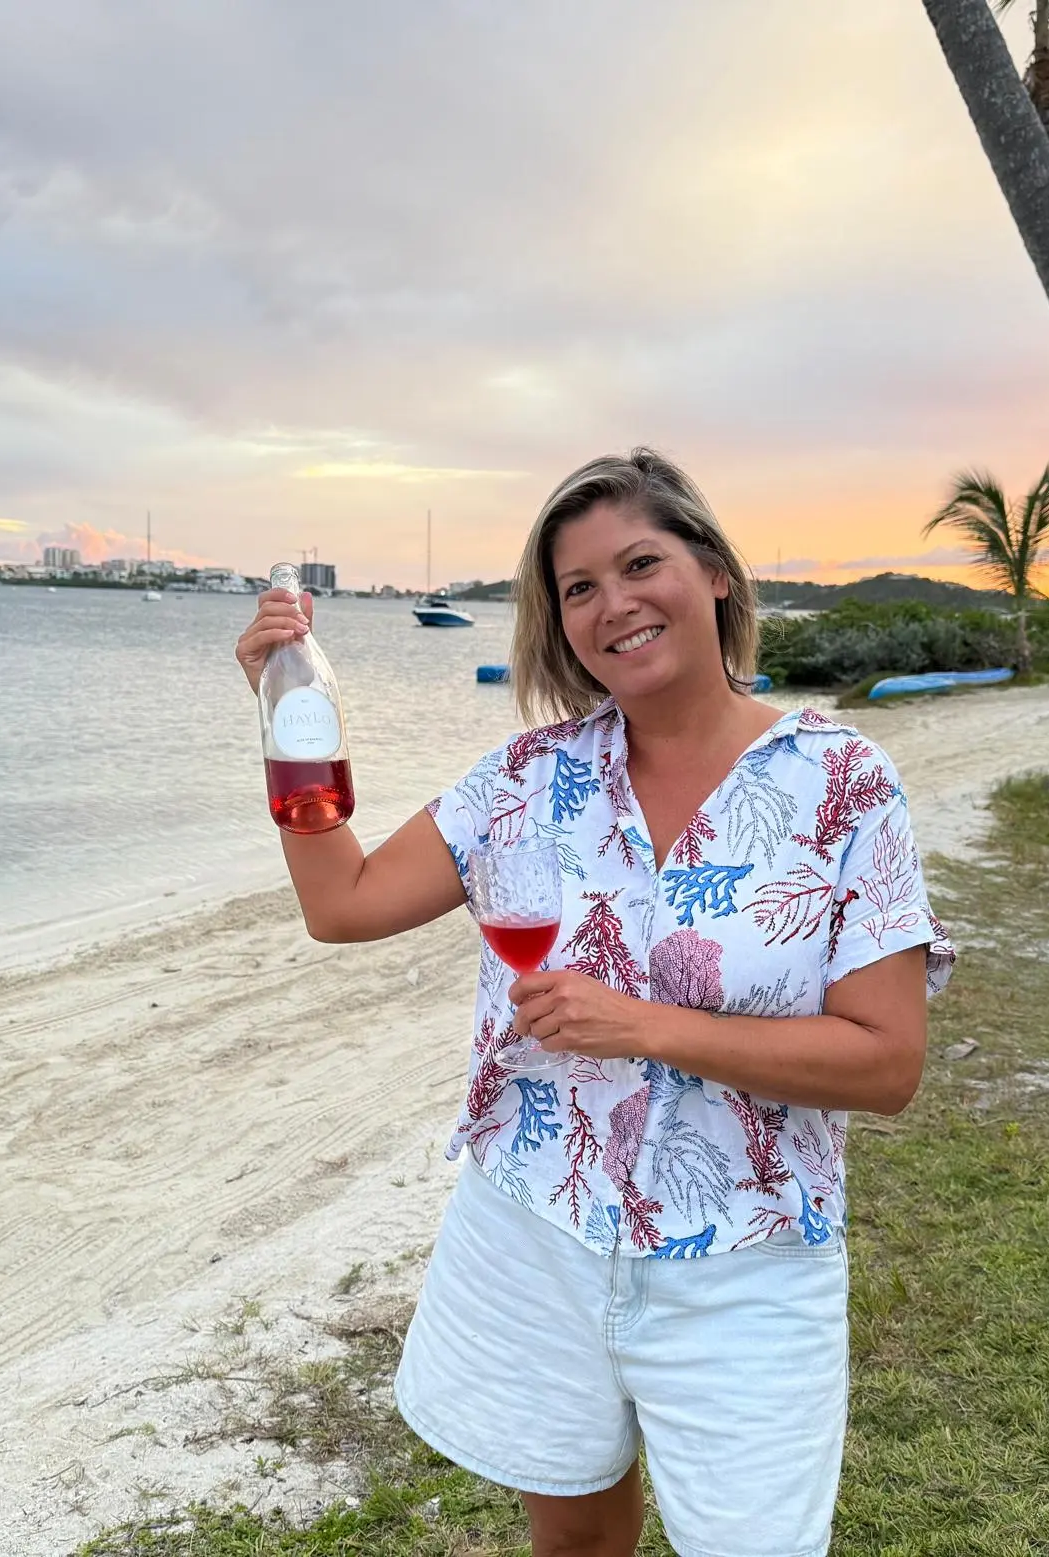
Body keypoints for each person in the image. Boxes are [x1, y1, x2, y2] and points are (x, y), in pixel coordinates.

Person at [235, 448, 954, 1557]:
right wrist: (287, 715)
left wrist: (644, 1027)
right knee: (573, 1538)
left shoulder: (842, 783)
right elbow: (344, 901)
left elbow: (887, 1063)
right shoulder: (527, 778)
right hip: (537, 1228)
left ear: (713, 572)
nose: (613, 603)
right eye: (578, 588)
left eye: (639, 564)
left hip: (746, 1250)